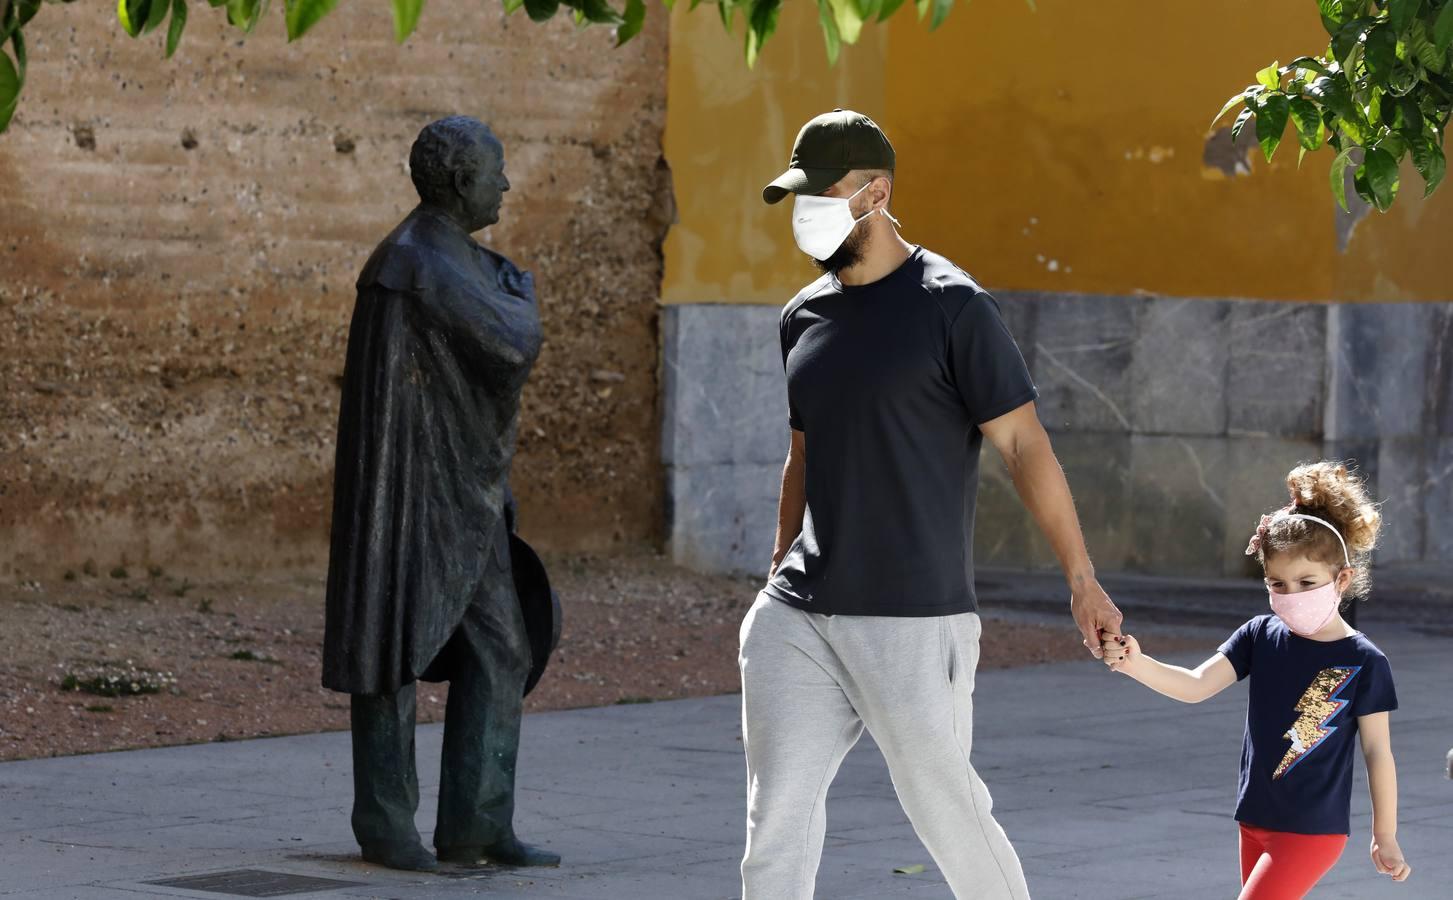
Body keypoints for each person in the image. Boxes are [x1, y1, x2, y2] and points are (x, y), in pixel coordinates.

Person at [739, 108, 1123, 900]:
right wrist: (778, 563)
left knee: (946, 811)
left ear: (874, 193)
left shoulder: (953, 307)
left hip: (913, 617)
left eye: (823, 194)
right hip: (799, 611)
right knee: (773, 820)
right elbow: (802, 453)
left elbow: (1023, 446)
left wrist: (1081, 578)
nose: (804, 214)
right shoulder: (802, 316)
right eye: (798, 197)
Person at [322, 116, 558, 872]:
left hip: (467, 493)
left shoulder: (455, 259)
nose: (506, 184)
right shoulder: (415, 261)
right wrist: (520, 295)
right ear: (461, 182)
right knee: (392, 642)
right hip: (411, 490)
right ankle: (387, 824)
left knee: (503, 646)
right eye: (496, 170)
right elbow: (510, 341)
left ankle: (478, 824)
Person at [1104, 461, 1412, 899]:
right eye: (1277, 583)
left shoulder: (1364, 660)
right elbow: (1196, 685)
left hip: (1311, 829)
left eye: (1307, 581)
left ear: (1341, 579)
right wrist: (1135, 663)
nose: (1291, 594)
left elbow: (1378, 752)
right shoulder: (1259, 635)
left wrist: (1386, 834)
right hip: (1254, 819)